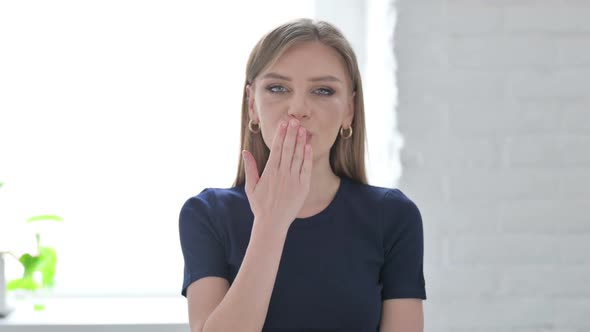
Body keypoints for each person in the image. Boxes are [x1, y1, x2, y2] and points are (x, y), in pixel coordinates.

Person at [179, 18, 426, 332]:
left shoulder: (393, 217)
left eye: (323, 91)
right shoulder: (207, 214)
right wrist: (271, 225)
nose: (298, 108)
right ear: (252, 106)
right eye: (278, 88)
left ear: (349, 110)